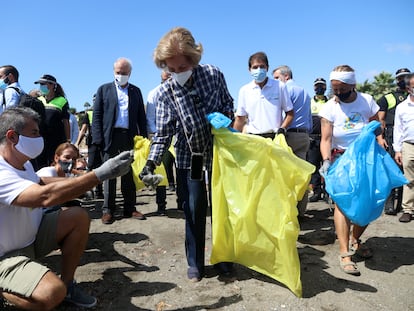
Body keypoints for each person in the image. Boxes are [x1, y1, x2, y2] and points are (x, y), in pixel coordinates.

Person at [0, 107, 134, 310]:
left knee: (78, 217)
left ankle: (68, 283)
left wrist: (88, 177)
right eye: (34, 133)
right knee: (52, 293)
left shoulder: (23, 164)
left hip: (32, 240)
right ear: (12, 136)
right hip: (5, 257)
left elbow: (42, 182)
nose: (40, 138)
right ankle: (6, 291)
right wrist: (98, 176)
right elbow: (44, 196)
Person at [139, 27, 234, 282]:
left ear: (193, 59)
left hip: (219, 152)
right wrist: (151, 163)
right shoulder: (164, 94)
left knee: (221, 208)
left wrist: (225, 118)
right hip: (189, 155)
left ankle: (224, 257)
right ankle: (195, 263)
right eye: (172, 69)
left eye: (182, 67)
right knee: (193, 208)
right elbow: (163, 134)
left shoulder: (213, 75)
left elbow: (228, 103)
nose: (177, 73)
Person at [319, 65, 385, 275]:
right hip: (341, 158)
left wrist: (378, 135)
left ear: (352, 85)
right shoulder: (330, 107)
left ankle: (355, 238)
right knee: (343, 203)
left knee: (371, 201)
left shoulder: (366, 101)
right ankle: (344, 252)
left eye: (341, 89)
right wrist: (326, 160)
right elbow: (326, 138)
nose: (337, 93)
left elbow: (377, 126)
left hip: (367, 158)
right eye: (334, 89)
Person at [92, 57, 148, 224]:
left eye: (124, 73)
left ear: (130, 73)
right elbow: (97, 117)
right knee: (109, 174)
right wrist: (98, 140)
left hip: (129, 137)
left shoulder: (136, 91)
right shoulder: (104, 89)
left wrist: (143, 139)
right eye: (118, 72)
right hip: (110, 137)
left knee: (128, 173)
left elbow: (141, 117)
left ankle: (129, 208)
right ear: (113, 72)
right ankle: (108, 209)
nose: (121, 75)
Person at [273, 65, 312, 217]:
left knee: (284, 176)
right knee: (300, 175)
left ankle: (286, 213)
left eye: (277, 78)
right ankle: (300, 211)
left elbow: (284, 113)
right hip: (303, 135)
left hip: (288, 135)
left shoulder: (285, 90)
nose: (275, 81)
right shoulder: (304, 92)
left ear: (286, 76)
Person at [233, 52, 293, 137]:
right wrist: (233, 137)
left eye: (262, 66)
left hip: (274, 137)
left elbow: (290, 113)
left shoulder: (279, 86)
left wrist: (282, 129)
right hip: (253, 138)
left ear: (267, 68)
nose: (258, 70)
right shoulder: (244, 90)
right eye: (255, 67)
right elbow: (240, 119)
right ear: (249, 69)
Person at [378, 68, 411, 215]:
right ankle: (389, 203)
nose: (403, 80)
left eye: (406, 77)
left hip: (408, 136)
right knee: (392, 169)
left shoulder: (411, 95)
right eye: (401, 77)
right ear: (397, 80)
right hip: (392, 135)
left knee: (407, 173)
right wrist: (382, 137)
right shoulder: (388, 97)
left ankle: (404, 206)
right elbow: (381, 119)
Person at [146, 71, 174, 215]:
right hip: (161, 137)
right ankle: (161, 206)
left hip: (179, 137)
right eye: (166, 77)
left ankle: (183, 202)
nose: (168, 79)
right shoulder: (154, 93)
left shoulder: (181, 90)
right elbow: (150, 118)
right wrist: (157, 137)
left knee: (181, 169)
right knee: (161, 169)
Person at [34, 74, 71, 168]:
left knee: (54, 163)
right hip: (40, 137)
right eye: (40, 84)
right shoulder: (38, 100)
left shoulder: (62, 101)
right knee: (40, 163)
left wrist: (68, 140)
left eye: (43, 84)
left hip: (56, 138)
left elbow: (66, 121)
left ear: (52, 85)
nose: (41, 87)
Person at [393, 73, 414, 223]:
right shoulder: (402, 107)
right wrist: (398, 150)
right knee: (409, 179)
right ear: (408, 88)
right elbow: (398, 129)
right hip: (408, 145)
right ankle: (408, 209)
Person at [75, 95, 104, 199]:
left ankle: (99, 191)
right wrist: (77, 143)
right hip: (92, 143)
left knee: (102, 167)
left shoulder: (106, 112)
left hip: (104, 144)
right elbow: (83, 129)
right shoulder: (90, 113)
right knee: (91, 166)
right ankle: (88, 189)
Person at [308, 78, 329, 202]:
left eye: (322, 86)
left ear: (325, 87)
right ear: (314, 88)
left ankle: (327, 192)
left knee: (327, 165)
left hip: (326, 138)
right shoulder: (309, 102)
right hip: (313, 138)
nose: (319, 88)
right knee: (314, 166)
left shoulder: (331, 102)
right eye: (317, 86)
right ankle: (316, 191)